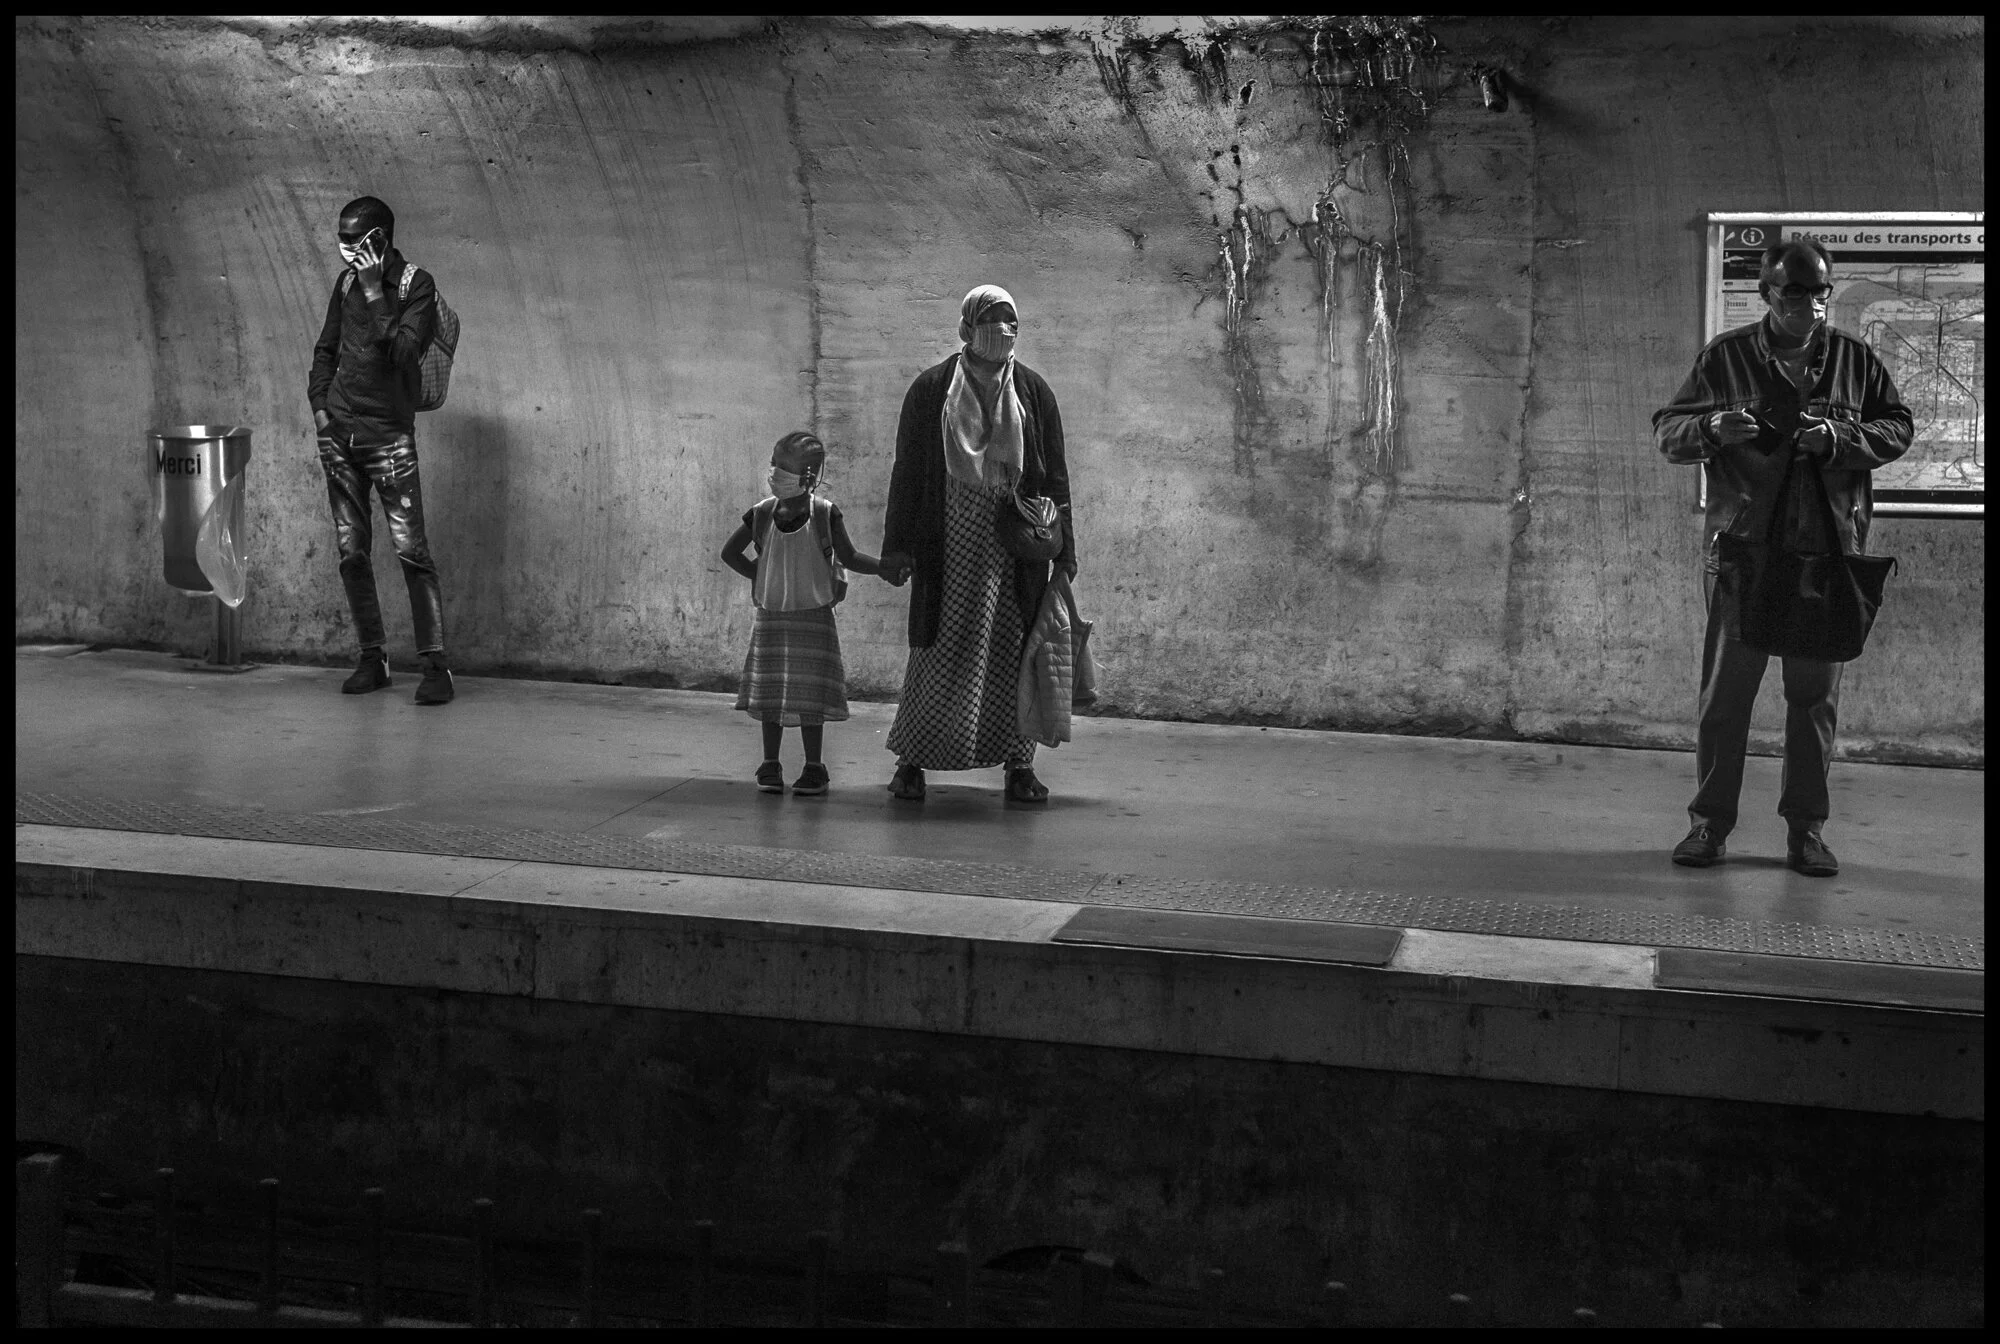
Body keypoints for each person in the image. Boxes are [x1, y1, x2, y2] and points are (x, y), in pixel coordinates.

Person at [1653, 238, 1911, 876]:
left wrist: (1840, 438)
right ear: (1767, 292)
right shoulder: (1726, 357)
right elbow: (1668, 431)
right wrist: (1711, 428)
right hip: (1744, 554)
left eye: (1820, 292)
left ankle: (1806, 832)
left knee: (1813, 699)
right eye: (1795, 292)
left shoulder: (1854, 359)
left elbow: (1897, 427)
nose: (1810, 304)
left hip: (1825, 555)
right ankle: (1709, 826)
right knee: (1726, 697)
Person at [877, 285, 1077, 805]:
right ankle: (911, 761)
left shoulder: (1032, 392)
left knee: (1014, 653)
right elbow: (907, 472)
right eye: (992, 321)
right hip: (946, 545)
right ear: (967, 328)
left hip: (1013, 552)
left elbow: (1054, 476)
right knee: (937, 651)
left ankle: (1019, 765)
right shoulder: (932, 390)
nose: (1003, 331)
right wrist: (897, 547)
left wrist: (1065, 553)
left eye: (1011, 322)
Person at [307, 196, 454, 705]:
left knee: (412, 552)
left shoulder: (417, 285)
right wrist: (321, 410)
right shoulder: (344, 283)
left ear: (379, 239)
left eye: (353, 238)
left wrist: (374, 293)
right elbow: (326, 349)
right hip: (340, 437)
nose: (344, 247)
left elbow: (404, 353)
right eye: (341, 237)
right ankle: (373, 659)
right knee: (352, 553)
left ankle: (436, 667)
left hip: (389, 439)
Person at [720, 432, 902, 795]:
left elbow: (849, 556)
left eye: (782, 465)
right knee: (772, 693)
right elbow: (730, 553)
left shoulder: (824, 513)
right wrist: (761, 574)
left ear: (807, 475)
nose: (774, 472)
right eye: (774, 463)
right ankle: (770, 763)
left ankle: (813, 766)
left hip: (813, 617)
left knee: (810, 696)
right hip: (772, 615)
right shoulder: (762, 513)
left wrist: (884, 568)